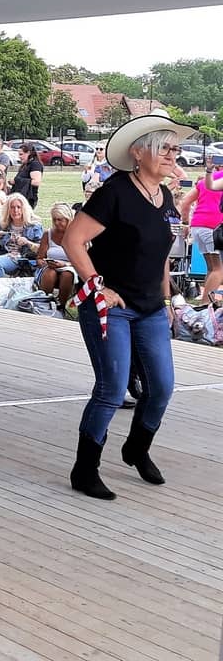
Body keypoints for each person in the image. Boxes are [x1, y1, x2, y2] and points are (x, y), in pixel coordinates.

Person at [61, 110, 192, 500]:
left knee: (162, 387)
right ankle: (85, 470)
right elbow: (73, 240)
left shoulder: (165, 196)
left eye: (174, 149)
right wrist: (96, 286)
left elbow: (161, 255)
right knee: (112, 389)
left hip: (150, 306)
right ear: (139, 153)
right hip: (112, 308)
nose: (172, 155)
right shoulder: (114, 193)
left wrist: (167, 297)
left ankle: (137, 448)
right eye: (164, 149)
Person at [0, 193, 43, 304]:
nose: (15, 210)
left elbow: (41, 248)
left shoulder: (34, 226)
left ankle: (3, 299)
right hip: (3, 253)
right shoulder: (4, 224)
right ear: (8, 209)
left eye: (18, 207)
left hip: (21, 256)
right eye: (12, 207)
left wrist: (27, 242)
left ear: (24, 208)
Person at [177, 171, 223, 302]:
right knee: (219, 269)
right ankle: (206, 304)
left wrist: (185, 223)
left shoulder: (204, 181)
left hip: (198, 225)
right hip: (214, 227)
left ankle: (207, 301)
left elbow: (185, 202)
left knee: (212, 268)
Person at [35, 202, 77, 302]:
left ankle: (61, 305)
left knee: (67, 274)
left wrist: (64, 264)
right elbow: (39, 258)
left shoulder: (76, 235)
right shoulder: (48, 234)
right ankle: (44, 303)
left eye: (60, 220)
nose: (57, 223)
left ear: (68, 219)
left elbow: (82, 261)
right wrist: (44, 262)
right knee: (50, 272)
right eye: (54, 220)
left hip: (70, 267)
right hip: (49, 267)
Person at [11, 143, 44, 207]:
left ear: (28, 153)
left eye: (21, 154)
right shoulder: (26, 165)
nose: (19, 157)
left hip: (28, 198)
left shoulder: (35, 164)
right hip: (21, 196)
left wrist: (16, 181)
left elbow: (36, 182)